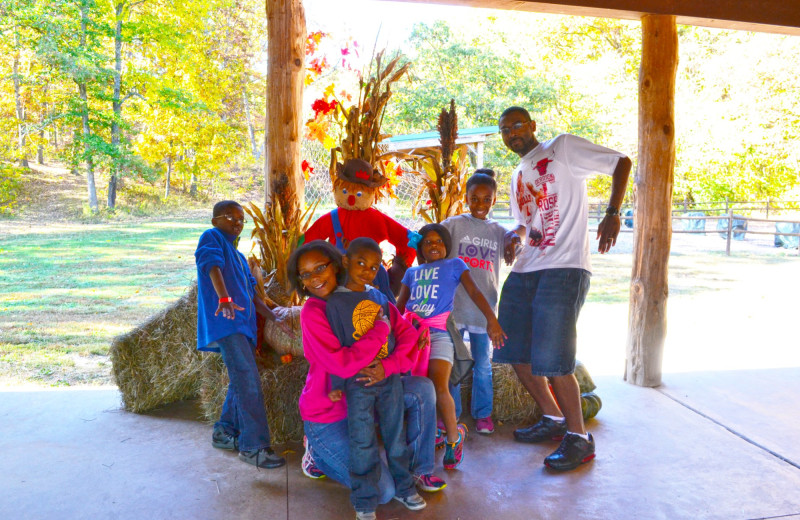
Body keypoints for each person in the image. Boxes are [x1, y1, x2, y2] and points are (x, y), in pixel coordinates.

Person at [495, 106, 631, 471]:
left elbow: (622, 163)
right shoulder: (518, 173)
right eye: (504, 130)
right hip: (527, 267)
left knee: (555, 358)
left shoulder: (562, 149)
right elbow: (527, 223)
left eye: (517, 125)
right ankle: (552, 419)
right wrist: (514, 235)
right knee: (513, 349)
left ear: (533, 126)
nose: (511, 133)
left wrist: (613, 212)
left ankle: (579, 438)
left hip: (565, 266)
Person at [289, 241, 445, 520]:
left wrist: (388, 366)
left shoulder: (373, 298)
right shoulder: (314, 311)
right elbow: (342, 364)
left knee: (422, 388)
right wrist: (379, 330)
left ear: (337, 265)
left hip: (371, 391)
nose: (314, 278)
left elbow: (408, 336)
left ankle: (419, 471)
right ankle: (316, 452)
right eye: (306, 274)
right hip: (330, 411)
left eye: (320, 268)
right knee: (383, 492)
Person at [323, 237, 426, 519]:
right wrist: (335, 384)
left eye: (373, 267)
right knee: (362, 440)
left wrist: (392, 366)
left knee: (396, 437)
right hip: (358, 384)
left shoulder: (380, 297)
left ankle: (405, 488)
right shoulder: (334, 303)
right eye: (360, 264)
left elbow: (398, 332)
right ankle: (365, 500)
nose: (366, 271)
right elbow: (334, 348)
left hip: (388, 379)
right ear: (345, 261)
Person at [396, 224, 506, 470]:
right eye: (427, 242)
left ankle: (453, 439)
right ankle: (429, 431)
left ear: (446, 245)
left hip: (438, 334)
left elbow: (475, 292)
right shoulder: (411, 274)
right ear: (420, 249)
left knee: (438, 384)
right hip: (412, 336)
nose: (433, 245)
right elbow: (400, 305)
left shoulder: (455, 265)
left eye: (438, 241)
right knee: (415, 387)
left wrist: (492, 320)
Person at [195, 200, 286, 469]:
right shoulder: (211, 237)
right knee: (248, 381)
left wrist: (275, 318)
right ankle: (253, 447)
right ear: (215, 221)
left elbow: (253, 296)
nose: (237, 222)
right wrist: (223, 297)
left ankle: (224, 433)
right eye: (230, 217)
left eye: (241, 219)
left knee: (241, 379)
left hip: (243, 326)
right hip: (227, 322)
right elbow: (211, 265)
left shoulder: (239, 257)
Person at [442, 169, 508, 435]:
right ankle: (452, 415)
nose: (480, 204)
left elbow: (518, 240)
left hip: (484, 311)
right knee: (454, 364)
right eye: (475, 198)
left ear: (494, 200)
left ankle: (483, 414)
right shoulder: (453, 225)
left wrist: (515, 238)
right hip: (455, 308)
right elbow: (431, 240)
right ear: (465, 198)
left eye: (486, 199)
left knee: (482, 365)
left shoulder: (499, 231)